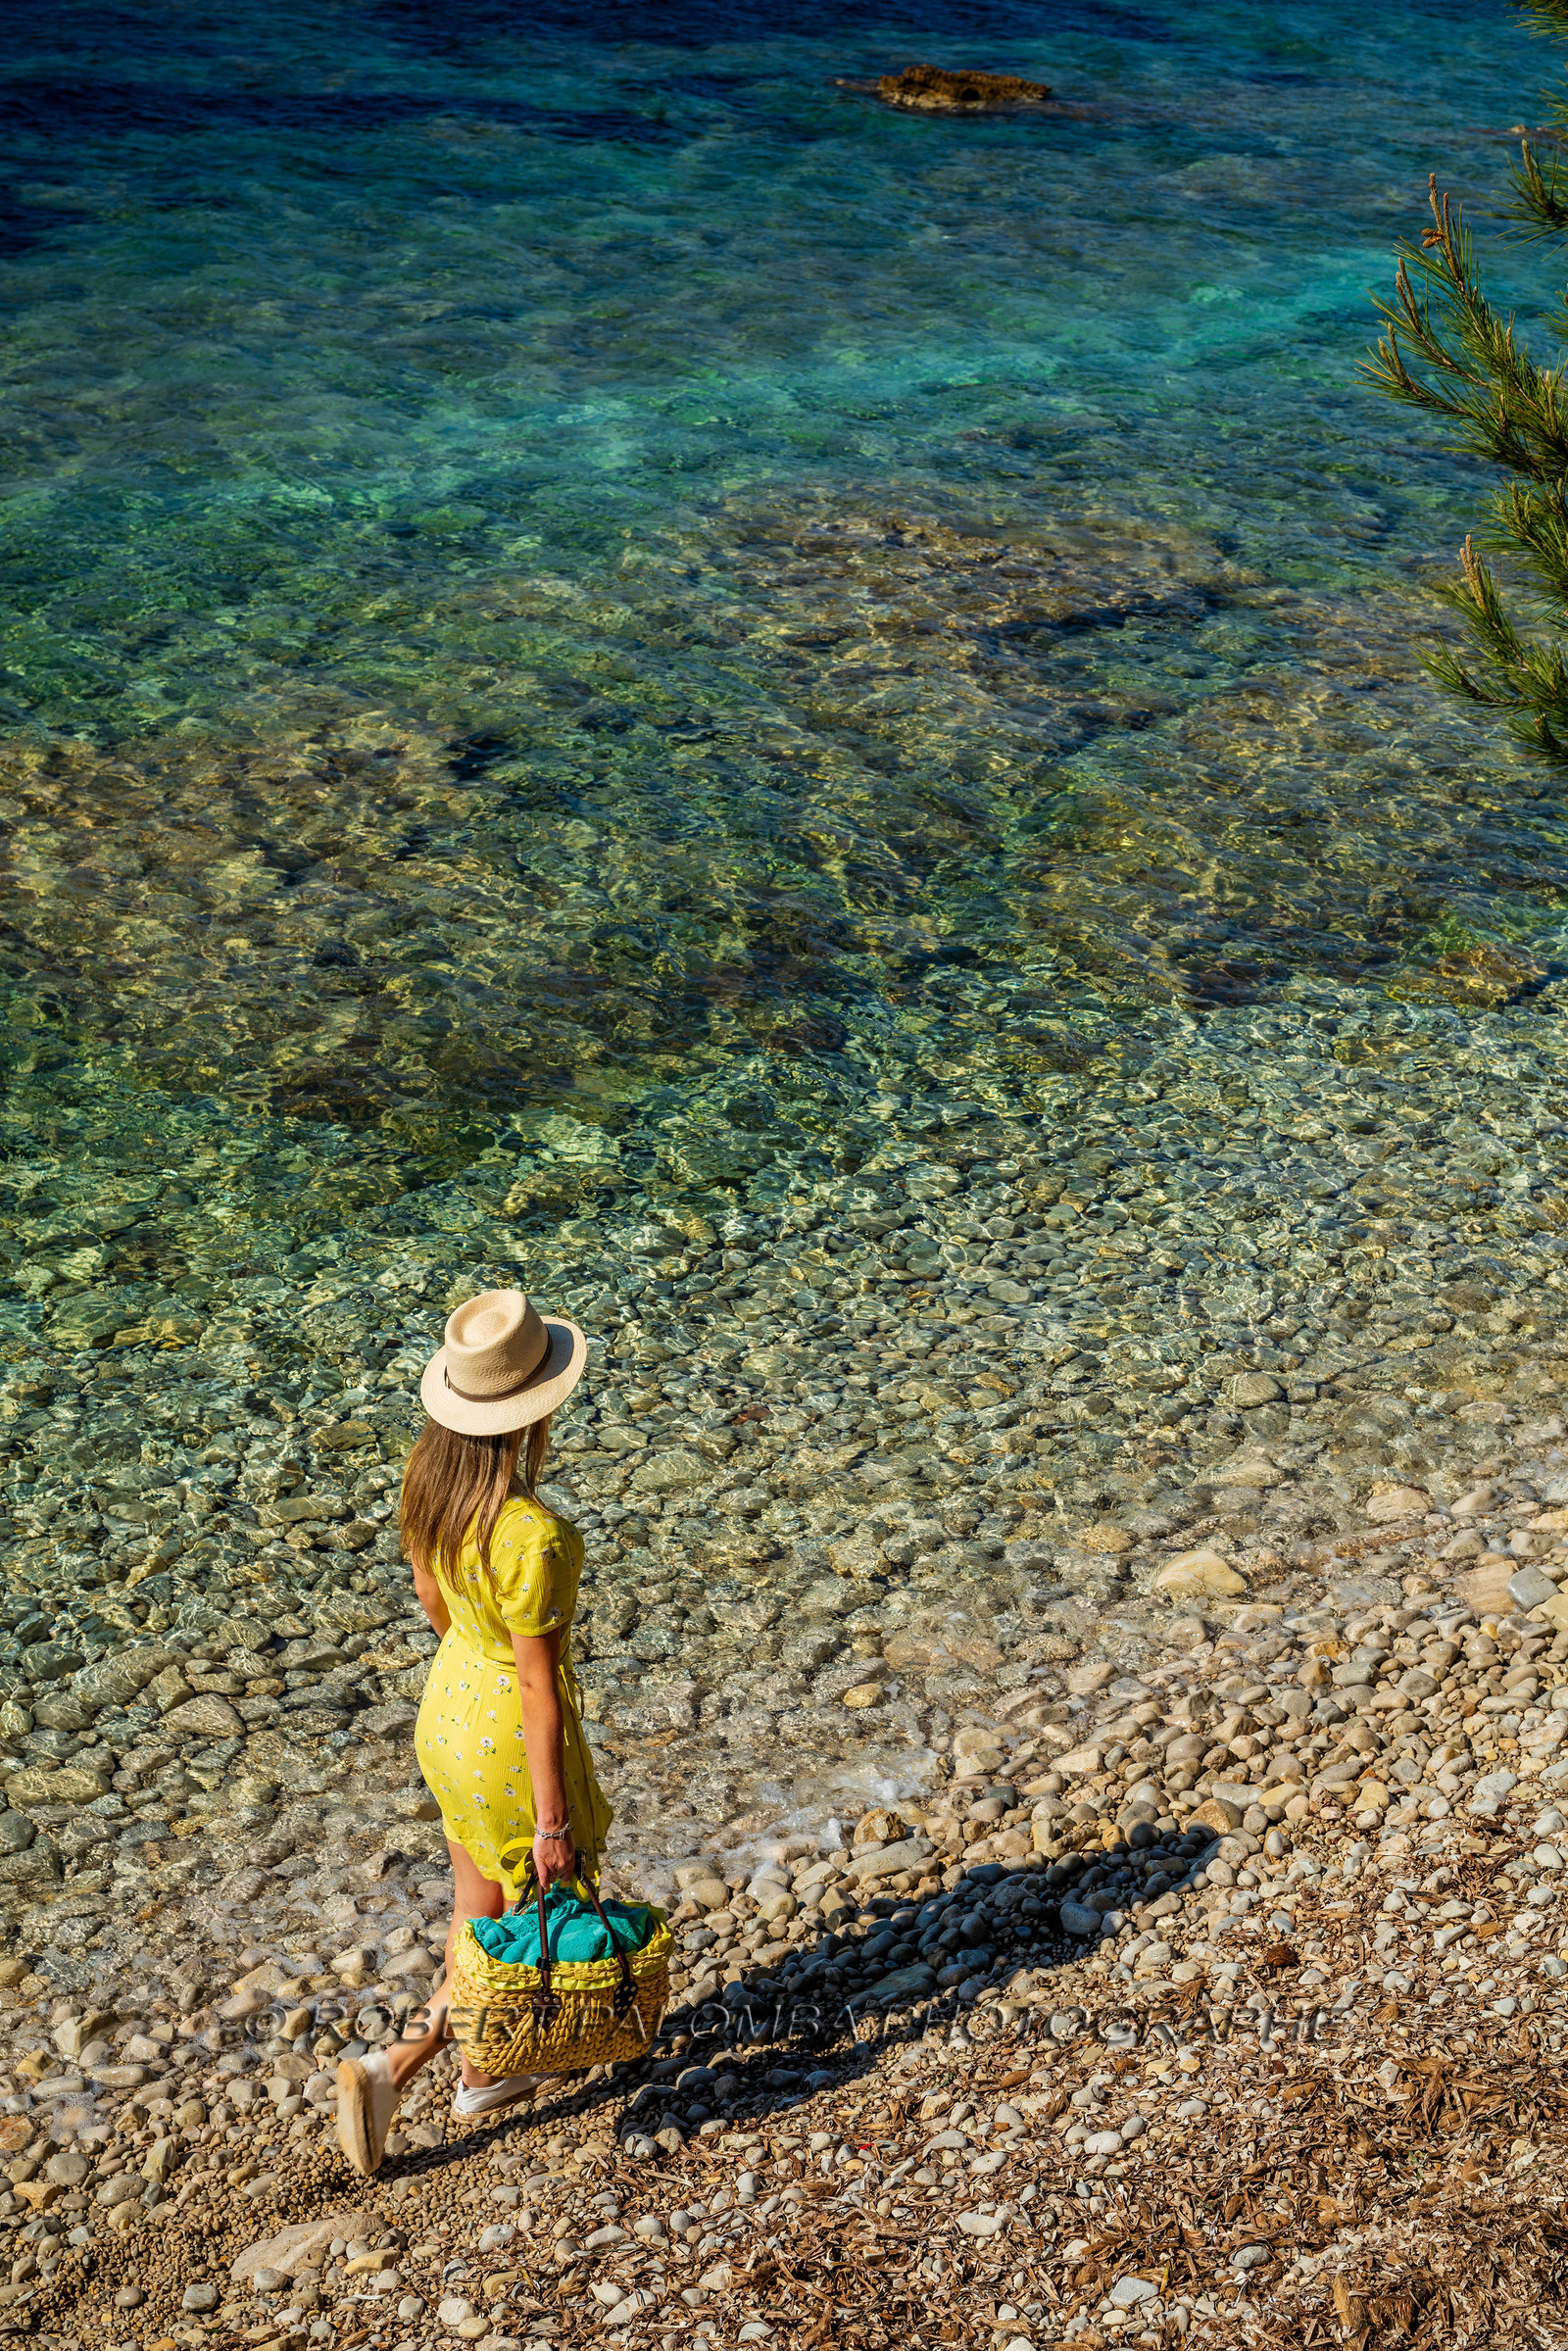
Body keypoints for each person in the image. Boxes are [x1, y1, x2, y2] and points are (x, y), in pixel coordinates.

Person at [335, 1289, 612, 2176]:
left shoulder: (430, 1485)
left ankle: (483, 2070)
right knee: (533, 1904)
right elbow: (536, 1683)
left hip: (446, 1709)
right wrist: (554, 1821)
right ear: (535, 1409)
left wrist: (471, 1658)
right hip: (504, 1733)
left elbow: (431, 1597)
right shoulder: (534, 1534)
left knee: (476, 1906)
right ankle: (403, 2065)